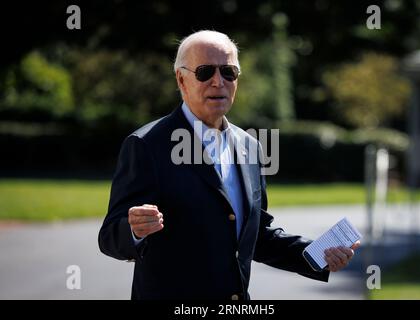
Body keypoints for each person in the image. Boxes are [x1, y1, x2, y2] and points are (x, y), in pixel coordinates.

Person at [98, 30, 360, 300]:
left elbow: (258, 236)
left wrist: (318, 254)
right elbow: (109, 238)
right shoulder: (147, 144)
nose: (218, 82)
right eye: (205, 72)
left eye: (228, 72)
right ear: (181, 79)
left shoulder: (251, 147)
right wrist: (134, 230)